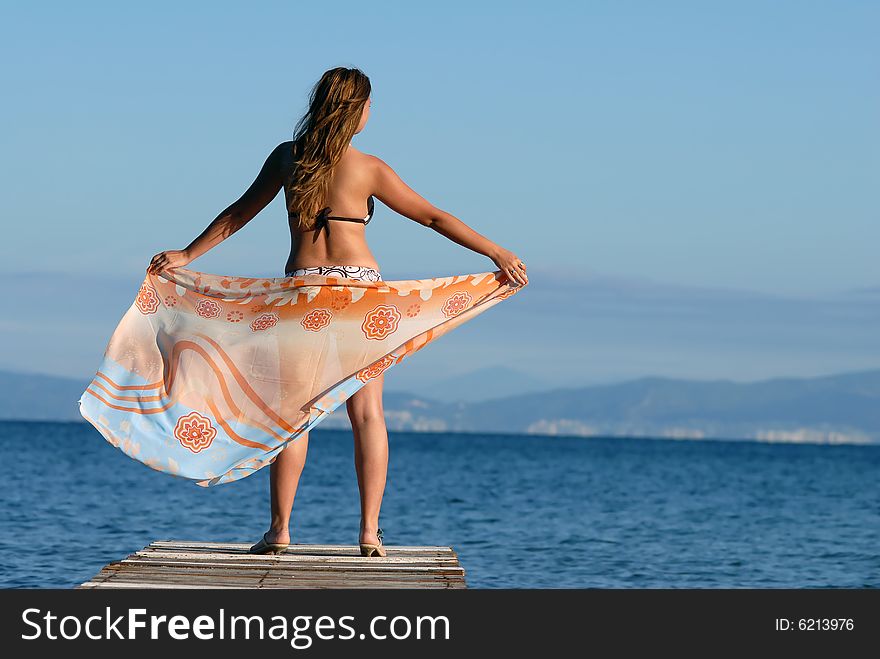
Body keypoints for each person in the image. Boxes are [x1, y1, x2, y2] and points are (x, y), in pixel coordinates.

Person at [146, 67, 528, 557]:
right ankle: (369, 532)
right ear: (357, 110)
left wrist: (186, 255)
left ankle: (280, 531)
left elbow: (238, 214)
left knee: (293, 416)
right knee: (367, 414)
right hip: (361, 298)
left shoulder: (289, 159)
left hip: (302, 295)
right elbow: (433, 216)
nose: (373, 112)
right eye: (370, 105)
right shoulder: (369, 168)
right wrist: (496, 253)